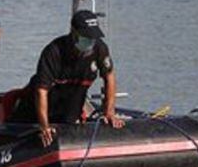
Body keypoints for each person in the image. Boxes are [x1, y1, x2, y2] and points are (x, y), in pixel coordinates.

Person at [13, 10, 125, 146]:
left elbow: (109, 77)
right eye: (86, 37)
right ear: (74, 32)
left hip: (70, 110)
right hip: (37, 111)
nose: (90, 42)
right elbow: (41, 91)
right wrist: (44, 126)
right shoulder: (54, 52)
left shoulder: (99, 49)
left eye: (93, 38)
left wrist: (109, 112)